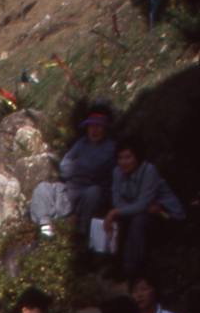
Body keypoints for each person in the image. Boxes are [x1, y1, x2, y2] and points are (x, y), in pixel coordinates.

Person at [29, 100, 117, 236]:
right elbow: (64, 166)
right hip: (71, 190)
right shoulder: (82, 143)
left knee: (94, 192)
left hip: (90, 192)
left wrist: (78, 166)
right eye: (91, 125)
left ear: (105, 127)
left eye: (98, 126)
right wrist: (83, 169)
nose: (94, 129)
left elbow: (97, 169)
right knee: (43, 187)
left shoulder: (111, 147)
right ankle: (46, 227)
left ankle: (83, 230)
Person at [104, 138, 185, 280]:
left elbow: (143, 203)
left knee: (138, 220)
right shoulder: (117, 172)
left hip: (166, 214)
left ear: (137, 157)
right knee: (123, 219)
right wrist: (128, 210)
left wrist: (119, 211)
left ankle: (130, 268)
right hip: (144, 211)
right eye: (120, 157)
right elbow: (117, 201)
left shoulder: (148, 171)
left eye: (128, 157)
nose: (123, 162)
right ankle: (113, 262)